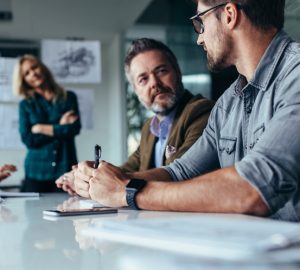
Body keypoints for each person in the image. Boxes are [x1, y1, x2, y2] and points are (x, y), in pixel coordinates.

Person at [72, 0, 300, 222]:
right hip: (252, 250)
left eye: (201, 21)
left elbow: (254, 188)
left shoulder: (295, 77)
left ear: (230, 15)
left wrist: (128, 193)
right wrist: (102, 181)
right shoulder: (228, 102)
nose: (199, 37)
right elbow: (180, 172)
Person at [56, 38, 214, 193]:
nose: (154, 83)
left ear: (178, 72)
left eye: (161, 71)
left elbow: (181, 172)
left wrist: (100, 181)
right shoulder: (149, 127)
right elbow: (127, 168)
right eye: (143, 79)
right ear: (136, 90)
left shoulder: (200, 112)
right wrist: (86, 175)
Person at [14, 55, 81, 192]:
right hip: (36, 172)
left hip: (66, 169)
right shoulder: (26, 105)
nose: (33, 73)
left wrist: (40, 128)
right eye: (27, 73)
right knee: (32, 213)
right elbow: (28, 139)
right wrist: (60, 125)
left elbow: (74, 129)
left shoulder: (68, 97)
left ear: (42, 68)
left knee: (68, 210)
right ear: (24, 80)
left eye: (34, 67)